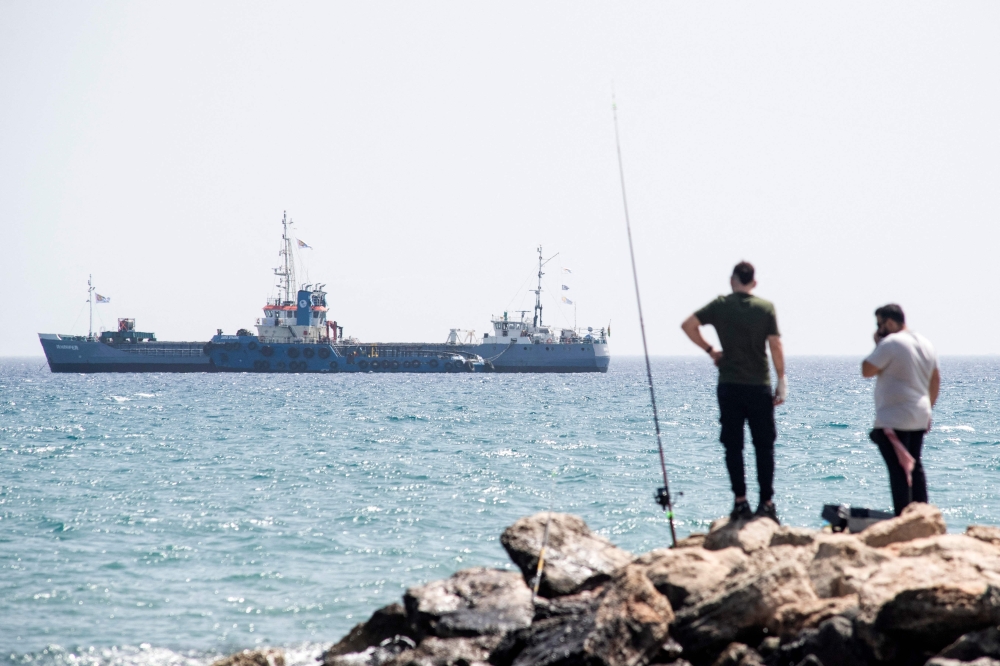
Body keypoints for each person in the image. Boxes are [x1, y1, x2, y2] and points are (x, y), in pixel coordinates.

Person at [681, 261, 787, 524]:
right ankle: (767, 503)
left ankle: (740, 502)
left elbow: (688, 325)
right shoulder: (765, 308)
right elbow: (775, 344)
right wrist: (781, 379)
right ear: (754, 282)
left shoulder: (720, 305)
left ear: (732, 280)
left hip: (729, 385)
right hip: (759, 384)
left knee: (733, 446)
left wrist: (711, 351)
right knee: (764, 446)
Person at [862, 304, 940, 515]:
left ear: (889, 323)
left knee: (898, 470)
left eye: (880, 325)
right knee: (915, 465)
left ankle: (903, 515)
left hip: (894, 417)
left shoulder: (890, 343)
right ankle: (922, 514)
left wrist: (878, 345)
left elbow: (867, 370)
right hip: (920, 414)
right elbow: (935, 379)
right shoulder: (925, 343)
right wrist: (929, 408)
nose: (878, 330)